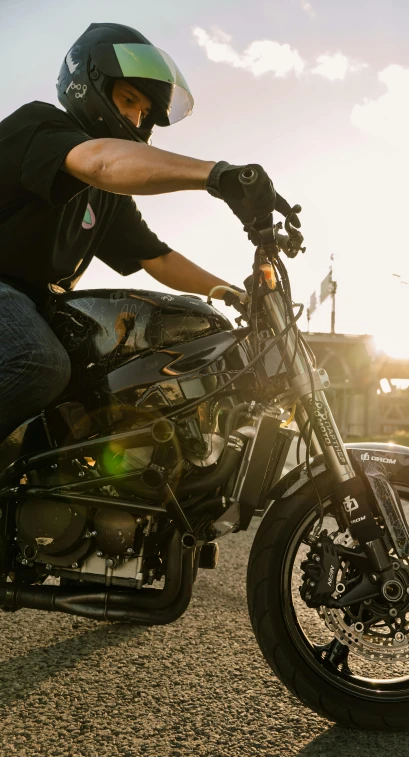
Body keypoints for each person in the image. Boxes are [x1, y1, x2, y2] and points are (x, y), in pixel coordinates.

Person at [0, 22, 296, 445]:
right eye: (129, 100)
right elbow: (101, 161)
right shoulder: (41, 126)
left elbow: (155, 257)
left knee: (106, 381)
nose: (136, 118)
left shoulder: (104, 198)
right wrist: (218, 176)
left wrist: (236, 296)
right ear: (90, 82)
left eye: (143, 113)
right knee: (39, 363)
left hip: (37, 307)